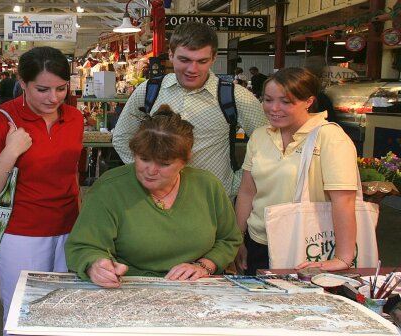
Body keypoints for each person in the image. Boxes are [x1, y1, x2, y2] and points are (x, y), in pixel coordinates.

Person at [66, 105, 242, 288]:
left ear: (185, 161)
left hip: (197, 287)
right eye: (144, 159)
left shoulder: (207, 185)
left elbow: (228, 239)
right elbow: (83, 246)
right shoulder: (109, 189)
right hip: (128, 288)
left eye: (164, 164)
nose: (151, 171)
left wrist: (205, 265)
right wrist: (96, 265)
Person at [0, 46, 84, 326]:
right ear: (22, 83)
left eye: (61, 89)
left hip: (69, 229)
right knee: (23, 315)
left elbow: (72, 176)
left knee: (64, 313)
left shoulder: (75, 118)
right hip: (20, 234)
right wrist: (11, 151)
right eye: (42, 89)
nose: (53, 98)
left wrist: (82, 226)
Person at [113, 21, 267, 198]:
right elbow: (121, 137)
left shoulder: (235, 96)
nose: (192, 69)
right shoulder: (150, 90)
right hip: (157, 201)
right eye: (184, 60)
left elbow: (268, 146)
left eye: (202, 61)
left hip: (212, 203)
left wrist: (235, 183)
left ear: (214, 58)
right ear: (171, 55)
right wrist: (148, 173)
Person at [234, 67, 358, 275]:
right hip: (258, 242)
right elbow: (247, 191)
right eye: (268, 99)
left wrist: (343, 258)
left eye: (286, 101)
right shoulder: (259, 136)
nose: (274, 108)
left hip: (308, 244)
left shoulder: (330, 138)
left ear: (308, 102)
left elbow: (343, 200)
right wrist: (237, 239)